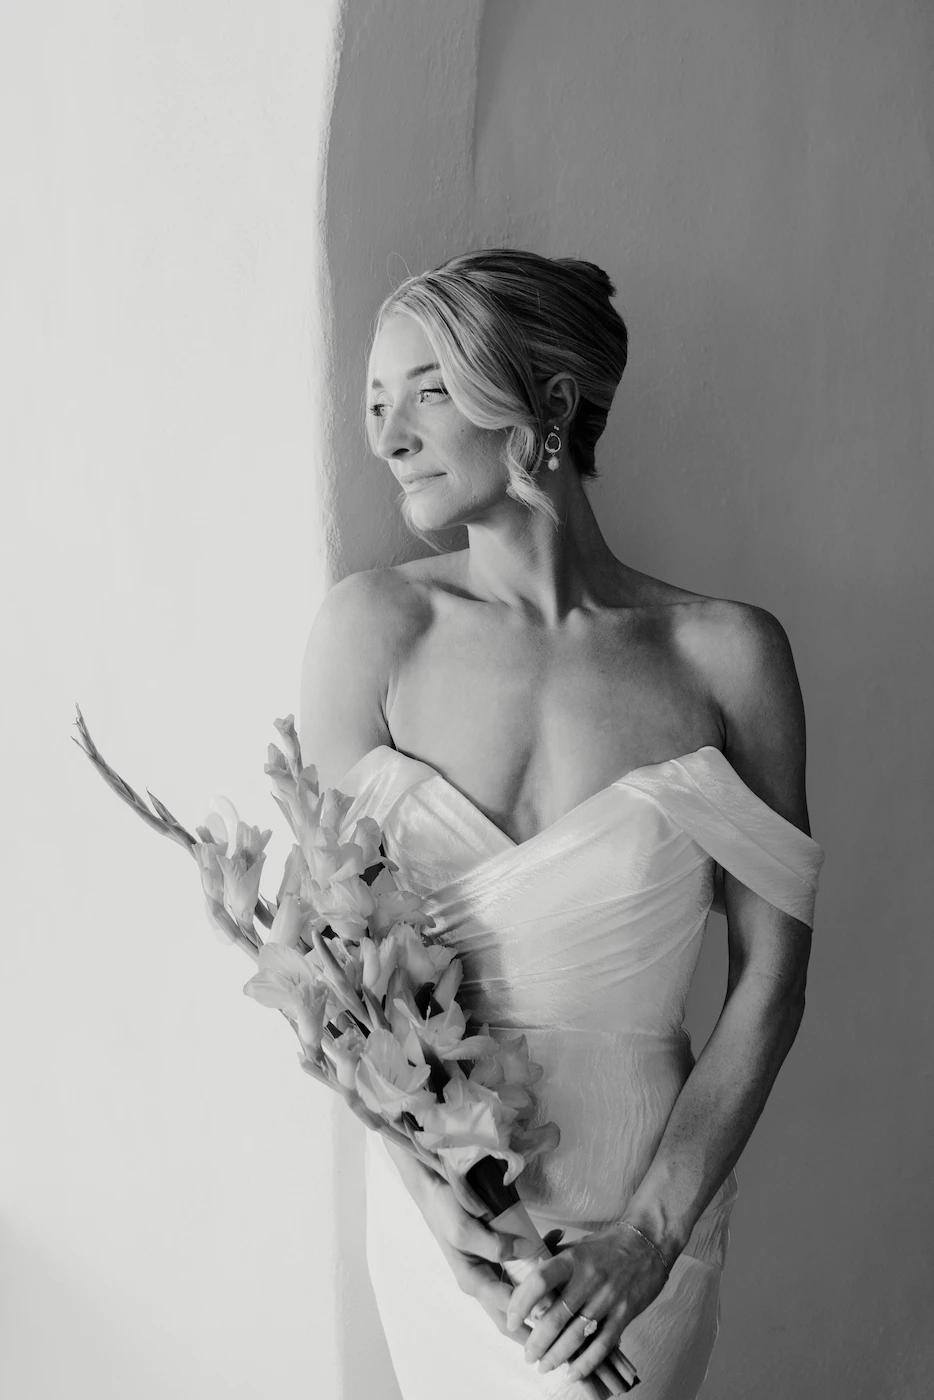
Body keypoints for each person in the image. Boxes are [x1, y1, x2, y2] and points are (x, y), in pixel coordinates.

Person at [301, 248, 825, 1399]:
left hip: (648, 1206)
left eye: (427, 391)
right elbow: (336, 973)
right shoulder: (370, 633)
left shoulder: (725, 656)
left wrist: (647, 1236)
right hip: (448, 1225)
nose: (387, 439)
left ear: (546, 399)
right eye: (376, 405)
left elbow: (773, 977)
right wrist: (450, 1215)